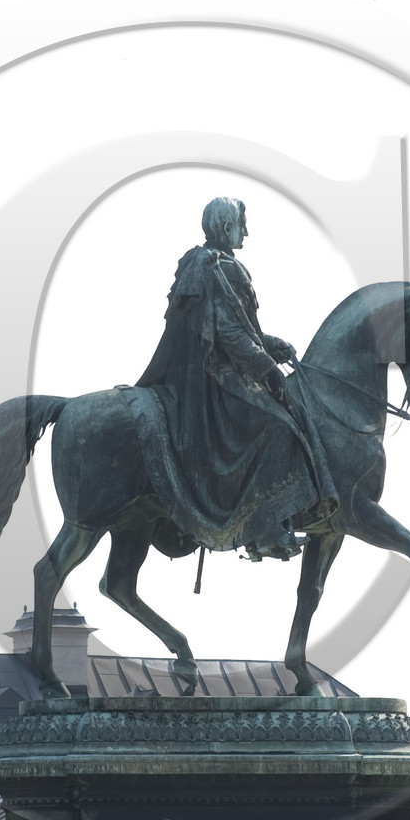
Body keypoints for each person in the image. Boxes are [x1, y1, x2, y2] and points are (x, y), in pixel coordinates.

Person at [133, 195, 337, 560]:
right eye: (243, 225)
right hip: (215, 379)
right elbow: (231, 335)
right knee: (278, 425)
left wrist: (273, 345)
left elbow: (242, 331)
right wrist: (269, 370)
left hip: (195, 373)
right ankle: (265, 527)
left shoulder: (197, 263)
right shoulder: (223, 267)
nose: (247, 232)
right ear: (227, 228)